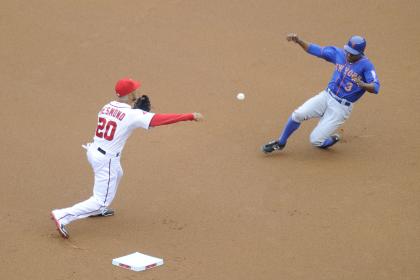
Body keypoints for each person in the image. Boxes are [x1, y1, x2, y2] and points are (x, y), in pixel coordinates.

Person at [51, 78, 203, 238]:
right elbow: (159, 120)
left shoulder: (107, 106)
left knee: (118, 173)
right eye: (134, 90)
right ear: (130, 94)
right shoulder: (133, 114)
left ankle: (100, 207)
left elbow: (122, 120)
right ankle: (63, 215)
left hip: (94, 150)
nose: (137, 92)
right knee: (100, 200)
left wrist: (140, 115)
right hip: (106, 159)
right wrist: (189, 116)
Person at [262, 33, 380, 153]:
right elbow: (316, 50)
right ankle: (281, 142)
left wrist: (363, 84)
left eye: (352, 53)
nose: (349, 54)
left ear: (360, 53)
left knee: (315, 140)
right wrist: (298, 41)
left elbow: (375, 87)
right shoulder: (339, 54)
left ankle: (332, 139)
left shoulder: (367, 66)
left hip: (341, 108)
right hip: (326, 96)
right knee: (298, 114)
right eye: (347, 51)